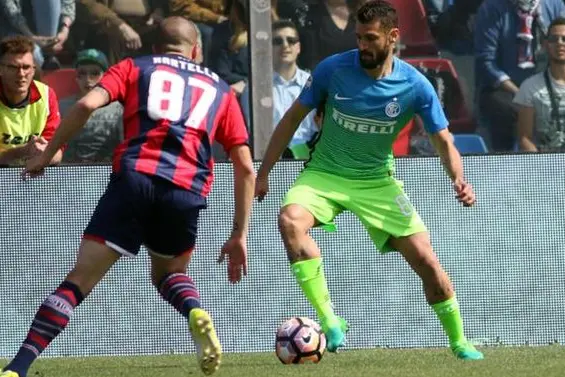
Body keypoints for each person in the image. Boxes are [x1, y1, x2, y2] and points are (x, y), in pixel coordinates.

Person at [2, 16, 255, 377]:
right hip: (186, 190)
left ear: (155, 48)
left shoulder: (136, 67)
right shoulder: (221, 89)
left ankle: (18, 367)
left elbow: (88, 105)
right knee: (168, 274)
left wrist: (46, 154)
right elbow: (246, 168)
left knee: (79, 280)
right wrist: (239, 234)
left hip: (135, 179)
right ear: (196, 50)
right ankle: (195, 310)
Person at [255, 0, 483, 360]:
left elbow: (444, 140)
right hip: (325, 174)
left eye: (371, 38)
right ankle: (330, 320)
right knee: (290, 221)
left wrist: (458, 178)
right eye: (359, 37)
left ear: (393, 37)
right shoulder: (333, 70)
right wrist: (263, 173)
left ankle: (459, 341)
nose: (362, 45)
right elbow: (289, 121)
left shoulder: (415, 85)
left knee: (426, 260)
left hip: (377, 182)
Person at [0, 35, 63, 167]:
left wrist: (46, 153)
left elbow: (57, 153)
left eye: (26, 67)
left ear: (34, 70)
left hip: (34, 176)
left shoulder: (46, 95)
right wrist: (23, 151)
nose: (21, 74)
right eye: (13, 67)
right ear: (1, 69)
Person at [515, 17, 565, 152]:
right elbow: (524, 138)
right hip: (547, 164)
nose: (560, 43)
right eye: (554, 39)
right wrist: (542, 165)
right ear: (546, 44)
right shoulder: (529, 87)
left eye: (564, 39)